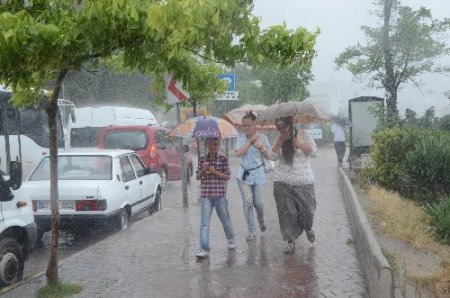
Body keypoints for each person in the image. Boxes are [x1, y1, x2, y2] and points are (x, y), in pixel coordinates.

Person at [270, 116, 318, 254]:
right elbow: (271, 156)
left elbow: (314, 152)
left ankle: (308, 226)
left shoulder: (303, 134)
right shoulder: (278, 138)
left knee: (307, 210)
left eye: (283, 127)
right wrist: (280, 141)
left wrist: (299, 144)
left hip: (304, 180)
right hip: (282, 180)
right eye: (278, 128)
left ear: (290, 124)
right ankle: (290, 241)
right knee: (286, 212)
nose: (281, 130)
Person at [195, 137, 236, 259]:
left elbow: (227, 176)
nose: (213, 146)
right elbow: (197, 177)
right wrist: (203, 169)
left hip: (220, 195)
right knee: (204, 223)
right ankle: (204, 248)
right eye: (211, 144)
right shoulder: (202, 160)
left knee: (225, 220)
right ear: (207, 145)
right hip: (206, 195)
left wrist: (215, 171)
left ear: (218, 145)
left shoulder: (223, 159)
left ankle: (231, 238)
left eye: (215, 144)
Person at [235, 111, 271, 241]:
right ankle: (251, 230)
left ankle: (261, 220)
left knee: (259, 203)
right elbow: (238, 153)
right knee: (248, 202)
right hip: (244, 175)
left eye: (249, 125)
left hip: (259, 174)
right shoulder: (240, 138)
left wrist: (261, 147)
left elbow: (269, 156)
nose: (246, 128)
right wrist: (250, 141)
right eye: (244, 125)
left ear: (254, 125)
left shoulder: (263, 138)